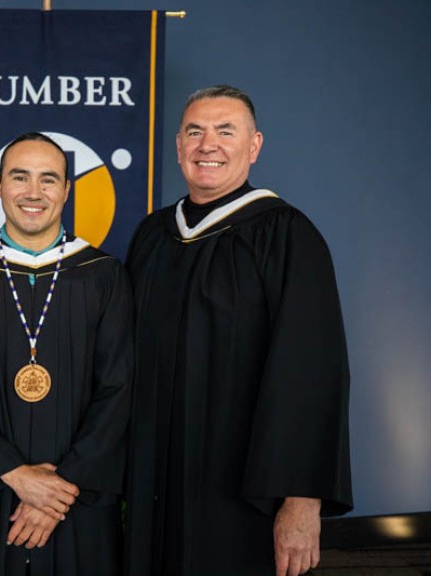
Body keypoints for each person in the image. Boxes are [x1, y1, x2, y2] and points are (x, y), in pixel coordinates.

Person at [124, 85, 353, 576]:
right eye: (195, 132)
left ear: (254, 146)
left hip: (241, 492)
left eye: (226, 131)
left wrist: (301, 501)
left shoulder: (288, 236)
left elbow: (312, 376)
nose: (208, 145)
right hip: (153, 486)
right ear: (179, 146)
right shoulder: (152, 236)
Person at [0, 132, 133, 576]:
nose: (33, 193)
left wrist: (60, 489)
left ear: (66, 189)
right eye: (20, 178)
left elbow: (119, 389)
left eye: (48, 179)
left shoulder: (104, 277)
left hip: (77, 501)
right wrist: (17, 475)